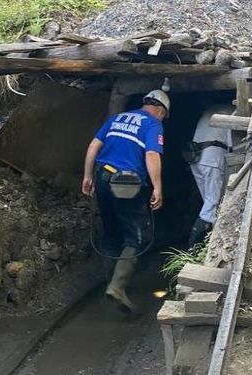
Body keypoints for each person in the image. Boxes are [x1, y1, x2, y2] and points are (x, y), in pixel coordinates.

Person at [82, 89, 169, 313]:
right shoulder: (153, 124)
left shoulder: (117, 118)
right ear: (160, 110)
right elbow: (152, 154)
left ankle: (110, 283)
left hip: (102, 177)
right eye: (164, 116)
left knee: (111, 232)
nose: (163, 120)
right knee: (137, 236)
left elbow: (93, 146)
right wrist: (158, 186)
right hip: (126, 184)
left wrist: (88, 176)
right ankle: (117, 287)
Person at [187, 105, 233, 249]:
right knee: (212, 203)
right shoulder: (231, 112)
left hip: (195, 158)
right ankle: (196, 246)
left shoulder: (207, 111)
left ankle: (200, 243)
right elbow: (232, 144)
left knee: (207, 201)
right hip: (212, 159)